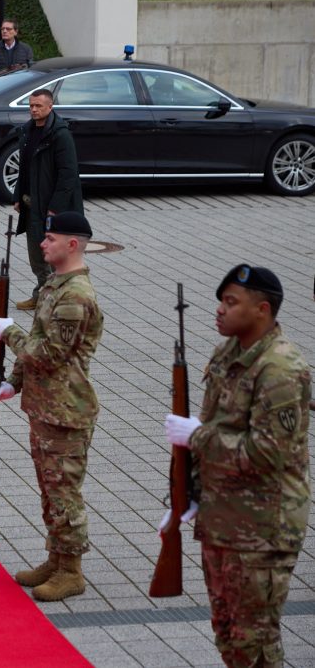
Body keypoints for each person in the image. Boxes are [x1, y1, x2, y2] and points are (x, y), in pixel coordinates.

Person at [164, 264, 310, 667]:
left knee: (255, 640)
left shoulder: (280, 369)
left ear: (262, 310)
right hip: (223, 516)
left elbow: (268, 453)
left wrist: (196, 437)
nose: (220, 310)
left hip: (264, 527)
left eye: (232, 303)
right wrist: (186, 495)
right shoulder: (227, 352)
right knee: (228, 633)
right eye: (221, 301)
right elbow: (216, 427)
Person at [0, 212, 103, 601]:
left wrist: (9, 332)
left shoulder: (75, 296)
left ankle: (71, 571)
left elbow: (50, 353)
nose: (42, 243)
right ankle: (56, 558)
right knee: (49, 489)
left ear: (73, 244)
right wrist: (13, 382)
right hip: (46, 405)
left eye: (50, 238)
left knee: (64, 492)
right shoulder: (56, 285)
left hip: (66, 411)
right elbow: (39, 338)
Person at [13, 88, 83, 311]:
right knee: (37, 256)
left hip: (53, 208)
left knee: (55, 257)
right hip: (32, 206)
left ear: (50, 107)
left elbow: (68, 174)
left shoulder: (60, 135)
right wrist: (17, 196)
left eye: (38, 106)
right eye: (31, 106)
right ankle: (43, 295)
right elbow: (23, 169)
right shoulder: (27, 132)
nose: (33, 110)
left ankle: (61, 300)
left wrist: (56, 208)